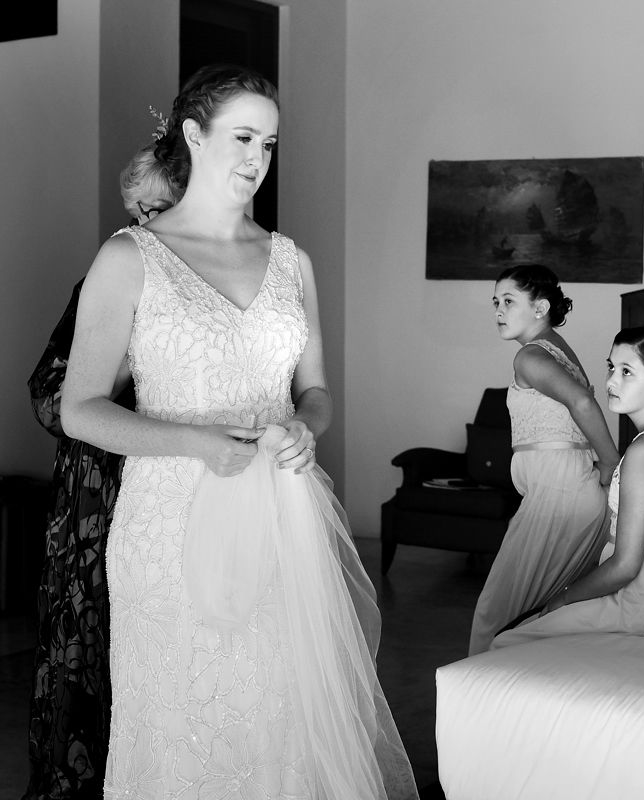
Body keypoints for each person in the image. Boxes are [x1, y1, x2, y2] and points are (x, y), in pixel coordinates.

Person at [60, 64, 418, 799]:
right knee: (188, 709)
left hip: (282, 515)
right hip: (170, 521)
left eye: (271, 142)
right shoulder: (130, 257)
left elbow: (314, 392)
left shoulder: (291, 260)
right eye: (243, 137)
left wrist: (302, 427)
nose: (257, 158)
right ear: (194, 135)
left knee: (279, 707)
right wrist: (199, 443)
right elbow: (81, 408)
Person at [22, 142, 177, 800]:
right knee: (93, 644)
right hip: (96, 494)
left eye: (159, 207)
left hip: (179, 492)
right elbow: (50, 396)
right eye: (134, 209)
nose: (143, 223)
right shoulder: (104, 282)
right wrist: (118, 361)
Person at [492, 325, 644, 649]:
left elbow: (625, 566)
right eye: (612, 367)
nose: (612, 381)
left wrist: (562, 599)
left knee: (511, 641)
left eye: (627, 372)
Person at [467, 264, 620, 655]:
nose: (498, 310)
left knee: (495, 611)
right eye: (495, 302)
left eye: (509, 301)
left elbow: (582, 402)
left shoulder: (531, 357)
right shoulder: (556, 347)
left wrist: (610, 461)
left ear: (540, 308)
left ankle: (481, 701)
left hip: (561, 493)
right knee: (544, 609)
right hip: (570, 490)